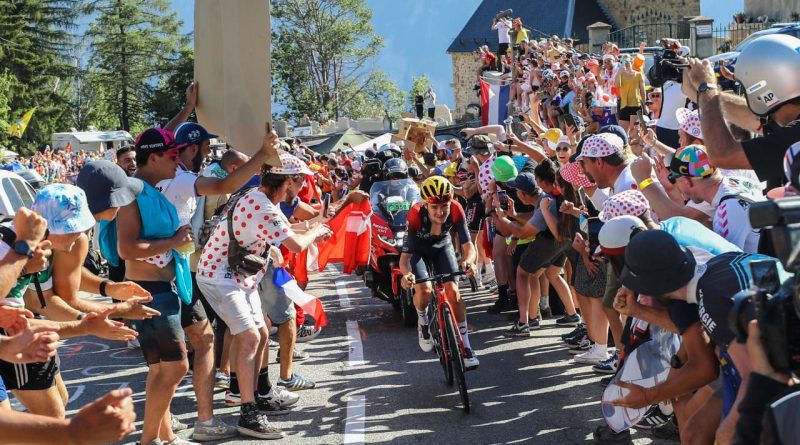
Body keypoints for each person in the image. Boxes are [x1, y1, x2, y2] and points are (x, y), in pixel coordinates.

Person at [157, 117, 283, 440]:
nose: (209, 152)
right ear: (194, 148)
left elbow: (163, 136)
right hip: (181, 272)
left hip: (178, 271)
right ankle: (201, 421)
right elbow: (226, 185)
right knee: (201, 343)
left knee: (179, 350)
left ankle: (168, 419)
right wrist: (261, 154)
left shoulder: (159, 176)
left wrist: (187, 108)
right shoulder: (182, 178)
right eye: (206, 147)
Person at [196, 152, 332, 439]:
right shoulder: (264, 206)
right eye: (299, 182)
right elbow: (294, 245)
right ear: (288, 182)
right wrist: (316, 229)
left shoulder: (260, 197)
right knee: (250, 336)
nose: (300, 188)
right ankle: (248, 411)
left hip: (235, 275)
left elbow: (280, 232)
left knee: (261, 331)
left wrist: (311, 228)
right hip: (221, 276)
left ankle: (251, 394)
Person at [616, 230, 783, 445]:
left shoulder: (713, 301)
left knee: (726, 435)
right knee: (696, 432)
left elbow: (754, 378)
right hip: (776, 353)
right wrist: (637, 308)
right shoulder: (716, 265)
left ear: (652, 288)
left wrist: (648, 397)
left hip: (773, 372)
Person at [116, 128, 196, 445]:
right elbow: (126, 249)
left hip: (156, 290)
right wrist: (174, 240)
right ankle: (148, 442)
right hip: (151, 292)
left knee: (160, 369)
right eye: (173, 157)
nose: (178, 164)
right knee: (176, 367)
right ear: (154, 157)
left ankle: (167, 436)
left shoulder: (148, 189)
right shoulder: (134, 192)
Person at [681, 34, 800, 189]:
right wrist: (702, 94)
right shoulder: (789, 119)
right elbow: (750, 116)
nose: (745, 95)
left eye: (746, 89)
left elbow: (723, 155)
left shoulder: (794, 137)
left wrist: (707, 88)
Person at [400, 176, 479, 369]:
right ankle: (423, 319)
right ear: (426, 204)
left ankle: (466, 347)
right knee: (425, 290)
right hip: (418, 250)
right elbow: (405, 258)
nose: (440, 211)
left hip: (443, 246)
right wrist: (406, 275)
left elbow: (469, 245)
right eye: (434, 207)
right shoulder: (415, 214)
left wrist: (469, 262)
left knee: (453, 291)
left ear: (450, 200)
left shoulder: (456, 209)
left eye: (444, 205)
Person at [666, 144, 762, 252]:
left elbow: (727, 262)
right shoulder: (740, 181)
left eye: (675, 180)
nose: (677, 187)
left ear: (686, 182)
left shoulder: (728, 210)